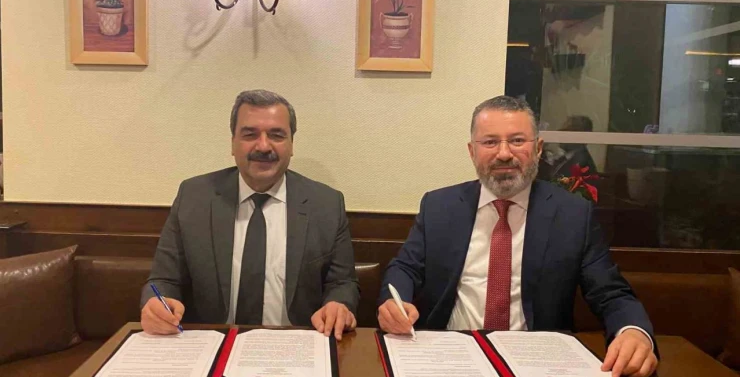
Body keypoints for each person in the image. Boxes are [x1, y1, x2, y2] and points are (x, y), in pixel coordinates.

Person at [378, 96, 658, 377]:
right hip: (451, 356)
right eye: (490, 142)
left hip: (537, 361)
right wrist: (394, 303)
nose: (504, 153)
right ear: (472, 151)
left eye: (517, 141)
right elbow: (405, 268)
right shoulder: (439, 206)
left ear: (538, 148)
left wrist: (633, 331)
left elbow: (610, 293)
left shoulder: (573, 214)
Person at [140, 90, 359, 340]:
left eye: (276, 135)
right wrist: (157, 303)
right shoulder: (194, 197)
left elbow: (342, 283)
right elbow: (164, 279)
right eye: (250, 134)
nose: (263, 146)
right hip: (213, 341)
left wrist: (339, 305)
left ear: (291, 145)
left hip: (295, 342)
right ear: (233, 143)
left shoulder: (326, 204)